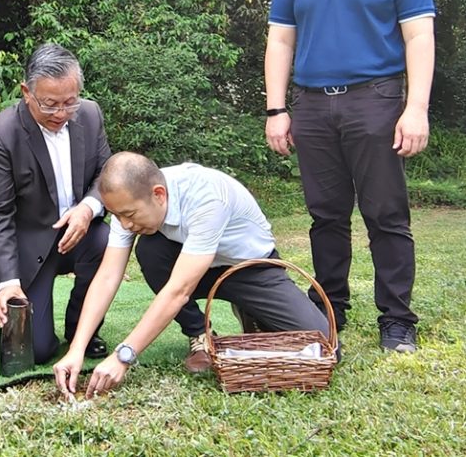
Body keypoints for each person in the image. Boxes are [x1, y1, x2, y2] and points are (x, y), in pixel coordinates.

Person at [264, 0, 435, 353]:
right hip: (312, 106)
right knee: (326, 215)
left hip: (376, 100)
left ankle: (397, 320)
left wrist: (416, 106)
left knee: (385, 214)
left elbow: (419, 35)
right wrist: (277, 109)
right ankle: (329, 309)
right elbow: (280, 41)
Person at [54, 152, 332, 398]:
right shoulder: (126, 205)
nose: (125, 224)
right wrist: (76, 349)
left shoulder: (207, 197)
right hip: (189, 263)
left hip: (250, 268)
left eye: (130, 214)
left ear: (158, 194)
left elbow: (178, 291)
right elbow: (107, 277)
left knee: (324, 345)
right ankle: (200, 333)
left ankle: (249, 307)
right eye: (117, 216)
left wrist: (123, 355)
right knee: (151, 250)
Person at [0, 43, 111, 364]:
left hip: (78, 235)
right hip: (27, 246)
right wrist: (8, 284)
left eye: (69, 103)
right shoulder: (0, 134)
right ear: (26, 92)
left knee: (106, 241)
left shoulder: (89, 114)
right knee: (40, 351)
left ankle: (82, 330)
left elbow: (107, 174)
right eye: (49, 105)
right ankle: (29, 324)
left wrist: (87, 208)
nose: (61, 114)